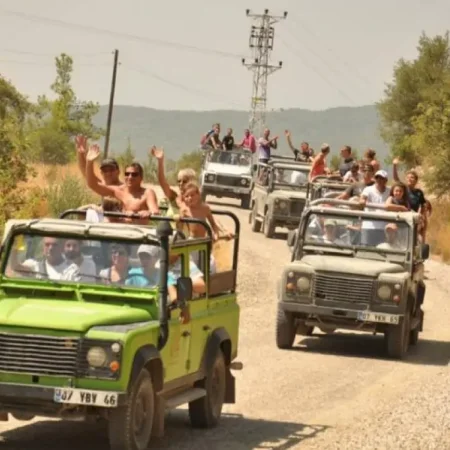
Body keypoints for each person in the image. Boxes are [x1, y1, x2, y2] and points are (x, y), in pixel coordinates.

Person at [85, 144, 159, 224]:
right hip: (119, 231)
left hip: (138, 232)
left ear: (141, 178)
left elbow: (155, 211)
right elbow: (93, 185)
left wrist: (147, 212)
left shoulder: (147, 193)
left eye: (134, 174)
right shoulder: (117, 190)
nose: (130, 177)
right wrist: (89, 162)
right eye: (127, 174)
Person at [12, 237, 80, 281]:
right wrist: (13, 248)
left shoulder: (72, 270)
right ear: (43, 248)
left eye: (54, 245)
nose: (50, 248)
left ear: (61, 248)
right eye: (47, 245)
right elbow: (15, 267)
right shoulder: (35, 266)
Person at [359, 170, 390, 246]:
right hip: (368, 226)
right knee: (365, 249)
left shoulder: (389, 191)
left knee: (381, 249)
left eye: (381, 178)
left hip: (383, 227)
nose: (379, 180)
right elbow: (362, 198)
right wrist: (362, 200)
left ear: (386, 180)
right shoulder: (368, 189)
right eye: (377, 178)